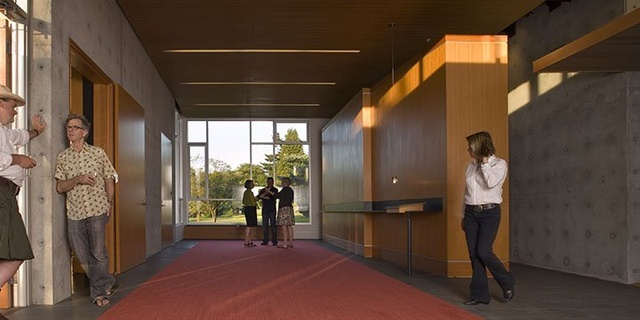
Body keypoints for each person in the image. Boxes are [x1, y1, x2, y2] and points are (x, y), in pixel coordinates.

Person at [54, 114, 118, 307]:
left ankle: (98, 293)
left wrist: (110, 203)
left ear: (85, 132)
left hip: (98, 209)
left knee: (98, 252)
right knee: (81, 254)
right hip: (74, 212)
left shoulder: (98, 153)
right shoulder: (62, 157)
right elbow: (60, 187)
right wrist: (77, 179)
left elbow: (109, 177)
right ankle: (105, 281)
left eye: (74, 127)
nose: (70, 131)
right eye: (68, 128)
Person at [0, 85, 46, 296]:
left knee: (12, 251)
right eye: (12, 106)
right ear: (0, 104)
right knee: (17, 251)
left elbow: (20, 136)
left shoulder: (4, 132)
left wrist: (36, 131)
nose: (15, 111)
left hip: (6, 196)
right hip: (1, 194)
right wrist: (20, 159)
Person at [461, 131, 514, 305]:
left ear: (480, 146)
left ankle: (506, 281)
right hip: (471, 213)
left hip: (489, 213)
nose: (468, 149)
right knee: (474, 254)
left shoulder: (499, 164)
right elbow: (466, 193)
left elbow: (490, 183)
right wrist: (463, 215)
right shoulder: (470, 166)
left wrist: (484, 162)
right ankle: (479, 295)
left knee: (483, 251)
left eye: (471, 146)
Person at [258, 177, 278, 246]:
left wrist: (267, 194)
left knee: (273, 225)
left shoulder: (275, 189)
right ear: (266, 182)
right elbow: (258, 197)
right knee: (264, 226)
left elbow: (273, 198)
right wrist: (265, 194)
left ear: (273, 182)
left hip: (272, 209)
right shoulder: (263, 189)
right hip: (265, 210)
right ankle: (265, 240)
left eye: (271, 182)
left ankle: (274, 241)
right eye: (268, 181)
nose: (269, 183)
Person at [276, 177, 294, 248]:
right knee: (289, 226)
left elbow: (278, 196)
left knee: (284, 226)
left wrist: (270, 192)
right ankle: (291, 242)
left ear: (285, 182)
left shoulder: (285, 189)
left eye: (282, 182)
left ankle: (285, 243)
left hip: (284, 209)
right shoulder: (291, 190)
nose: (281, 183)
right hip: (289, 208)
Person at [242, 179, 258, 247]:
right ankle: (246, 241)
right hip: (250, 209)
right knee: (249, 225)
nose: (253, 184)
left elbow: (243, 201)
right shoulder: (249, 192)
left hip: (247, 208)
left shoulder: (246, 192)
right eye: (252, 183)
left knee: (250, 225)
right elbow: (253, 202)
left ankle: (249, 241)